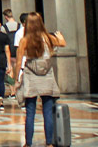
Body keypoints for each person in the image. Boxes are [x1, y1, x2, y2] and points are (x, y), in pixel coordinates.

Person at [16, 13, 66, 147]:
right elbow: (62, 43)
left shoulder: (24, 40)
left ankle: (28, 143)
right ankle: (49, 142)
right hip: (46, 75)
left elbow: (19, 60)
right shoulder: (48, 38)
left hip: (31, 76)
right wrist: (60, 37)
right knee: (47, 111)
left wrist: (16, 78)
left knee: (30, 112)